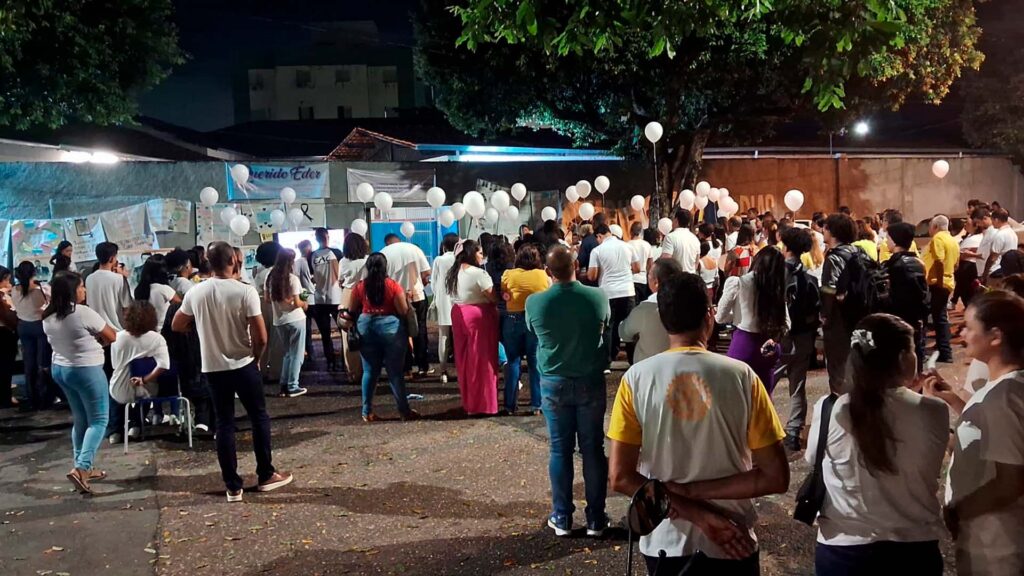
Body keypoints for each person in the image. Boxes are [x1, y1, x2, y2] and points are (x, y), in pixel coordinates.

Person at [608, 271, 789, 574]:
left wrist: (691, 506)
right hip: (734, 537)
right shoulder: (742, 377)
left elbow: (621, 477)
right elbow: (775, 477)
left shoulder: (636, 379)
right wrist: (704, 510)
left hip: (665, 539)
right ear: (709, 316)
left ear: (664, 321)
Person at [807, 314, 948, 574]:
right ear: (903, 358)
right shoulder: (934, 410)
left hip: (844, 549)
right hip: (913, 549)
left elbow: (813, 458)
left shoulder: (830, 409)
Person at [172, 242, 292, 503]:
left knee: (224, 423)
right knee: (259, 417)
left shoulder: (196, 292)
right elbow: (260, 335)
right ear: (233, 261)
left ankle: (232, 485)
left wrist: (200, 330)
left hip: (213, 367)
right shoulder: (244, 292)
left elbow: (177, 324)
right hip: (243, 363)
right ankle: (265, 474)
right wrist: (257, 358)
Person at [923, 291, 1024, 574]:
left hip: (999, 546)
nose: (961, 333)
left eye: (968, 326)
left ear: (995, 336)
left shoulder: (1003, 398)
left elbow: (1011, 480)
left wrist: (959, 511)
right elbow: (986, 442)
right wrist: (954, 401)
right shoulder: (1006, 388)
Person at [526, 245, 611, 537]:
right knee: (593, 449)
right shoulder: (597, 296)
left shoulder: (535, 303)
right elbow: (607, 327)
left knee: (560, 449)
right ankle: (596, 519)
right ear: (576, 264)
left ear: (548, 271)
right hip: (590, 378)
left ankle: (562, 517)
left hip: (553, 379)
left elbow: (533, 332)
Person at [42, 271, 117, 494]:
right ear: (72, 291)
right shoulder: (82, 313)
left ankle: (81, 464)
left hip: (61, 369)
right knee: (99, 420)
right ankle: (82, 468)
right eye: (81, 287)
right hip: (86, 369)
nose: (84, 290)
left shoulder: (47, 316)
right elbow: (111, 335)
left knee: (81, 418)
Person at [344, 252, 417, 422]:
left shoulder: (361, 286)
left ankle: (366, 411)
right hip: (391, 328)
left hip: (366, 327)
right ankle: (404, 411)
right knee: (395, 373)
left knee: (369, 372)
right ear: (385, 267)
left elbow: (351, 310)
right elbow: (402, 310)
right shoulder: (392, 285)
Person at [716, 247, 790, 393]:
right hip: (769, 346)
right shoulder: (777, 287)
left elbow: (720, 317)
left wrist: (736, 316)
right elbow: (787, 323)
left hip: (743, 343)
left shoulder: (738, 282)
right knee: (763, 399)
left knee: (736, 396)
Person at [86, 242, 135, 441]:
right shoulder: (117, 280)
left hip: (96, 335)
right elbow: (127, 308)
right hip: (117, 334)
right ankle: (121, 425)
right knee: (121, 381)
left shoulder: (89, 279)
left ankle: (108, 425)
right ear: (113, 257)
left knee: (103, 381)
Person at [446, 240, 499, 416]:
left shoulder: (453, 273)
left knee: (464, 360)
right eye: (479, 252)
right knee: (482, 360)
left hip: (459, 314)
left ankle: (469, 402)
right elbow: (492, 297)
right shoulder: (478, 274)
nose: (481, 256)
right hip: (478, 315)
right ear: (471, 253)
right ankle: (484, 403)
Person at [779, 227, 820, 451]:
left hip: (780, 335)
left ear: (785, 247)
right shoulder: (809, 278)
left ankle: (762, 430)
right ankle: (794, 431)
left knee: (766, 382)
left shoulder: (777, 274)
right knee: (798, 384)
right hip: (804, 335)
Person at [500, 244, 550, 415]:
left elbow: (504, 293)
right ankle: (537, 404)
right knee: (535, 362)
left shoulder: (508, 274)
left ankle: (509, 405)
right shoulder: (542, 276)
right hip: (535, 319)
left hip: (512, 319)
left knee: (513, 361)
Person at [587, 224, 640, 366]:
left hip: (608, 293)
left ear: (599, 236)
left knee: (608, 327)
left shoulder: (597, 251)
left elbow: (592, 276)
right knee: (629, 326)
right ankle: (633, 360)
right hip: (628, 291)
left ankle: (607, 362)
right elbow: (637, 268)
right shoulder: (628, 246)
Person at [381, 233, 432, 378]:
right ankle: (423, 367)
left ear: (387, 243)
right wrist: (420, 283)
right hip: (417, 295)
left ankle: (406, 368)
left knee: (399, 333)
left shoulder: (384, 253)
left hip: (395, 299)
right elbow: (427, 272)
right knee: (420, 330)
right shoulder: (413, 249)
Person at [821, 213, 860, 394]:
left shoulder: (834, 258)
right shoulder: (858, 252)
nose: (823, 230)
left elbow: (829, 290)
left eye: (825, 227)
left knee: (838, 368)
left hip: (839, 321)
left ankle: (842, 410)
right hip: (858, 316)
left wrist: (825, 316)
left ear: (832, 231)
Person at [882, 222, 930, 368]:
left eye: (888, 237)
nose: (886, 241)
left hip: (901, 322)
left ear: (895, 240)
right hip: (915, 321)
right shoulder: (917, 262)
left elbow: (898, 297)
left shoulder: (897, 266)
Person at [108, 301, 170, 411]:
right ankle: (140, 419)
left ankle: (126, 424)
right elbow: (164, 365)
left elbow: (114, 364)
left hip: (120, 389)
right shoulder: (157, 339)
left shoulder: (117, 337)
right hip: (148, 390)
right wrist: (144, 379)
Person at [619, 259, 682, 363]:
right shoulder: (690, 305)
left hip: (648, 368)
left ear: (656, 282)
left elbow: (624, 333)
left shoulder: (645, 309)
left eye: (649, 276)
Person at [266, 248, 308, 398]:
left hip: (279, 321)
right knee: (297, 355)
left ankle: (284, 386)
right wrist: (303, 302)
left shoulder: (270, 278)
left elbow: (267, 299)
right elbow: (298, 302)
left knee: (288, 354)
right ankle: (293, 386)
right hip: (296, 319)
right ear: (291, 262)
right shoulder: (292, 279)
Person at [11, 262, 54, 410]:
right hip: (39, 326)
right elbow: (50, 304)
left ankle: (32, 397)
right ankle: (45, 397)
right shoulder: (41, 289)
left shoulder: (14, 290)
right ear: (34, 273)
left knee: (29, 363)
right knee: (42, 361)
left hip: (23, 327)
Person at [923, 215, 958, 364]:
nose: (929, 230)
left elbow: (939, 261)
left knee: (936, 317)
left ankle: (945, 351)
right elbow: (956, 264)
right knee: (939, 316)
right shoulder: (953, 240)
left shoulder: (938, 239)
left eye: (930, 226)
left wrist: (939, 282)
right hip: (948, 282)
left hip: (938, 283)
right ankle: (943, 347)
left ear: (936, 227)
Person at [308, 228, 342, 371]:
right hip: (336, 297)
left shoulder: (312, 256)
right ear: (327, 236)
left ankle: (330, 361)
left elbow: (312, 276)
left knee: (325, 334)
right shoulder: (337, 253)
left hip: (319, 298)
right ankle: (345, 359)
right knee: (343, 330)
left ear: (316, 238)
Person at [338, 233, 369, 385]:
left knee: (348, 335)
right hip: (364, 295)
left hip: (347, 295)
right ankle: (368, 370)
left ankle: (352, 372)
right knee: (366, 333)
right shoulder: (367, 260)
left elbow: (340, 281)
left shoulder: (343, 261)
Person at [431, 234, 458, 384]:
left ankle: (443, 371)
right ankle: (462, 368)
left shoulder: (439, 260)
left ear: (444, 246)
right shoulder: (460, 259)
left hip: (443, 302)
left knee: (443, 337)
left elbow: (434, 283)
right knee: (460, 337)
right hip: (459, 301)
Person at [134, 256, 181, 332]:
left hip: (145, 332)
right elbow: (179, 306)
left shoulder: (139, 290)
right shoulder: (164, 289)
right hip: (163, 332)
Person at [984, 208, 1019, 282]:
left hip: (996, 271)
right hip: (1008, 270)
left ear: (996, 220)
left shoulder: (1000, 235)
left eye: (992, 220)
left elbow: (993, 257)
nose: (992, 223)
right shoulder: (1013, 233)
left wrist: (985, 273)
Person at [661, 209, 701, 273]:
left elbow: (666, 260)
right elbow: (696, 262)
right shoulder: (695, 239)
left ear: (676, 220)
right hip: (690, 277)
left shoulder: (670, 237)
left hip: (676, 278)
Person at [0, 266, 18, 408]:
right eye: (6, 280)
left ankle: (6, 396)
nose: (8, 283)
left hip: (6, 334)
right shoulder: (2, 297)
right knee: (5, 367)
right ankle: (5, 398)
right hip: (4, 334)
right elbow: (10, 317)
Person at [295, 239, 316, 362]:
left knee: (307, 328)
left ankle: (310, 353)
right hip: (311, 297)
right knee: (308, 328)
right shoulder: (306, 261)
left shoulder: (299, 262)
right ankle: (311, 353)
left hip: (307, 298)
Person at [627, 221, 653, 302]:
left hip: (630, 279)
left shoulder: (627, 245)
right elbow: (650, 264)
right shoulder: (647, 245)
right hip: (642, 279)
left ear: (631, 231)